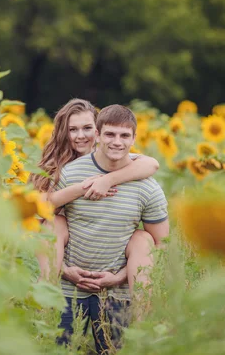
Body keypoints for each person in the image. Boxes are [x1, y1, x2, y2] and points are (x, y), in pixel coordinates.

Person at [53, 104, 169, 354]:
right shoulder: (71, 174)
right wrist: (63, 270)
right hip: (69, 289)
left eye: (125, 135)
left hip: (117, 292)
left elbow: (161, 244)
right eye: (110, 134)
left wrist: (118, 277)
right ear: (98, 134)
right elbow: (44, 225)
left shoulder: (147, 187)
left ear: (134, 139)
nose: (117, 142)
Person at [32, 99, 159, 293]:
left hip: (107, 253)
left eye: (87, 128)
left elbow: (151, 164)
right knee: (54, 222)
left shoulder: (113, 156)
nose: (81, 136)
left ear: (98, 131)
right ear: (63, 132)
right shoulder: (56, 167)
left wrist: (108, 180)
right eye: (73, 129)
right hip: (60, 254)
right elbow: (36, 214)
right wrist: (82, 188)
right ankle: (44, 302)